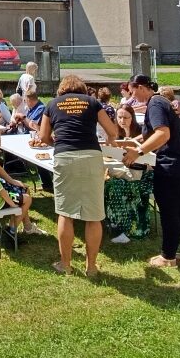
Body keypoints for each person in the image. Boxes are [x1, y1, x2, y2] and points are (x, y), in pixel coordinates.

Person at [35, 74, 119, 277]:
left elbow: (43, 136)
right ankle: (91, 267)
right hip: (91, 155)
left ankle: (66, 264)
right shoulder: (92, 102)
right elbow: (112, 130)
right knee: (94, 216)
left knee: (65, 213)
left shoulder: (52, 104)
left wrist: (57, 143)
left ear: (61, 89)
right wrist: (110, 139)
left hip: (65, 156)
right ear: (81, 88)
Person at [122, 75, 180, 269]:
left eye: (132, 92)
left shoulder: (155, 104)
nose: (132, 97)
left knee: (169, 212)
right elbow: (150, 133)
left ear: (141, 87)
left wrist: (138, 152)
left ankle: (168, 257)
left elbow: (162, 134)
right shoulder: (161, 101)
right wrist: (130, 142)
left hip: (171, 166)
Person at [104, 104, 154, 244]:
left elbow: (148, 160)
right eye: (119, 117)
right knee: (108, 184)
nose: (122, 120)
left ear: (133, 118)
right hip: (123, 172)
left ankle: (125, 227)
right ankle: (115, 226)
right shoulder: (115, 133)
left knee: (115, 186)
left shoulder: (141, 134)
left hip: (142, 175)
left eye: (126, 117)